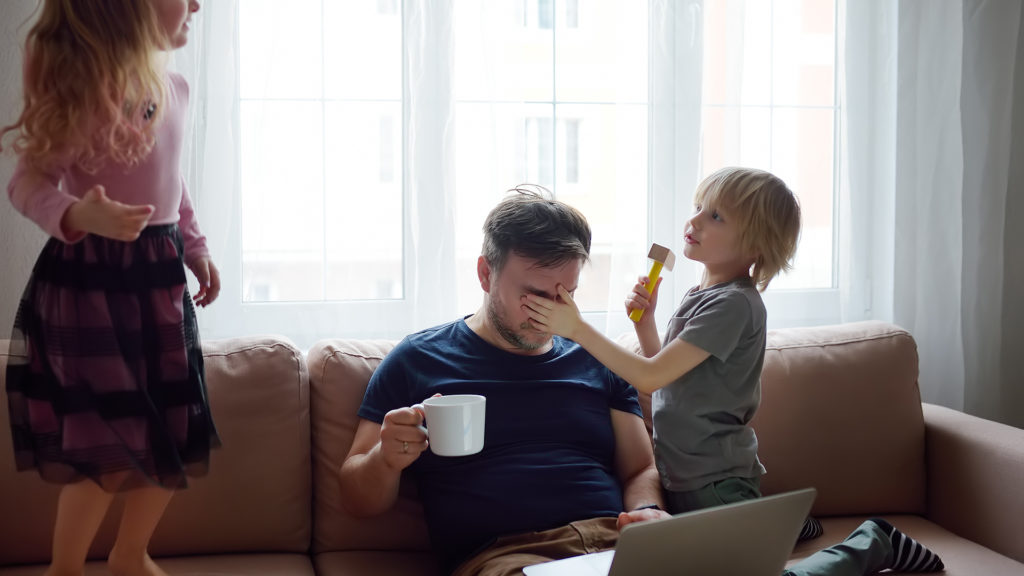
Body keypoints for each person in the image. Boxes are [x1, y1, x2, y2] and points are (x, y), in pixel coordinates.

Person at [341, 185, 944, 576]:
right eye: (534, 293)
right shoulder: (419, 360)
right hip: (507, 559)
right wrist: (387, 461)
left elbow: (637, 468)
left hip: (618, 547)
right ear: (484, 272)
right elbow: (357, 496)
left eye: (568, 293)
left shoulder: (594, 359)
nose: (554, 309)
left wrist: (650, 513)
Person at [522, 167, 944, 575]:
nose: (695, 220)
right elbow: (668, 374)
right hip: (683, 475)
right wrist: (645, 324)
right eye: (699, 206)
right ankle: (784, 524)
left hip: (715, 481)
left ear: (755, 246)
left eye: (716, 216)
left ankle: (875, 543)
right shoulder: (702, 295)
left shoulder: (734, 305)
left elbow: (648, 378)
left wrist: (575, 328)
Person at [1, 2, 218, 576]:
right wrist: (77, 214)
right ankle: (64, 569)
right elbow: (26, 182)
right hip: (89, 286)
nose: (197, 3)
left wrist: (196, 248)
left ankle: (129, 555)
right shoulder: (82, 90)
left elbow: (176, 183)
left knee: (173, 431)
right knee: (104, 443)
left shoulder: (176, 88)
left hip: (159, 281)